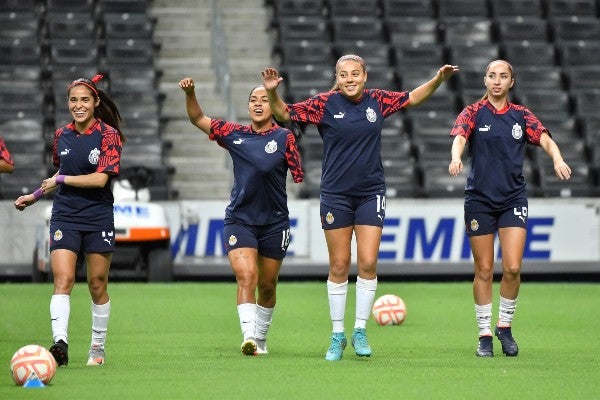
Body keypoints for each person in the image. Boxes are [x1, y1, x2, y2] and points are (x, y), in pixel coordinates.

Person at [262, 55, 459, 361]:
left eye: (355, 74)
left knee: (367, 262)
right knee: (339, 265)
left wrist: (438, 80)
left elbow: (411, 98)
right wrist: (273, 91)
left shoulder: (377, 100)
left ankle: (360, 331)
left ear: (365, 76)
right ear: (337, 78)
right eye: (343, 75)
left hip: (370, 194)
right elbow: (284, 112)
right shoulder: (323, 103)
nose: (349, 79)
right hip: (335, 195)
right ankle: (337, 335)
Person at [448, 60, 572, 357]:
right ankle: (484, 335)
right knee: (485, 269)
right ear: (485, 80)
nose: (497, 81)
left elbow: (545, 138)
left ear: (511, 82)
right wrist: (456, 157)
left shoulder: (521, 115)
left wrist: (557, 158)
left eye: (503, 76)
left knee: (513, 268)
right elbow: (460, 136)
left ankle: (504, 327)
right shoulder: (474, 112)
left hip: (512, 199)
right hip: (479, 200)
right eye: (492, 76)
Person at [179, 78, 304, 356]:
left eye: (263, 100)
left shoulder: (285, 138)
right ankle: (249, 337)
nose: (258, 104)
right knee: (247, 276)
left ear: (273, 106)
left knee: (268, 285)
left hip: (275, 223)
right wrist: (191, 93)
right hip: (240, 220)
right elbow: (197, 118)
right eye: (253, 100)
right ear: (247, 106)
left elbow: (298, 175)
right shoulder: (234, 133)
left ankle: (260, 338)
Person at [14, 74, 124, 367]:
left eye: (85, 99)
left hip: (98, 216)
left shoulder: (109, 135)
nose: (79, 105)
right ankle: (60, 344)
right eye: (74, 100)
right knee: (63, 279)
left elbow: (100, 179)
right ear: (68, 103)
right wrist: (35, 195)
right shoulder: (61, 135)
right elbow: (58, 177)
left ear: (96, 102)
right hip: (65, 215)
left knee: (97, 284)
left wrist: (61, 178)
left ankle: (97, 349)